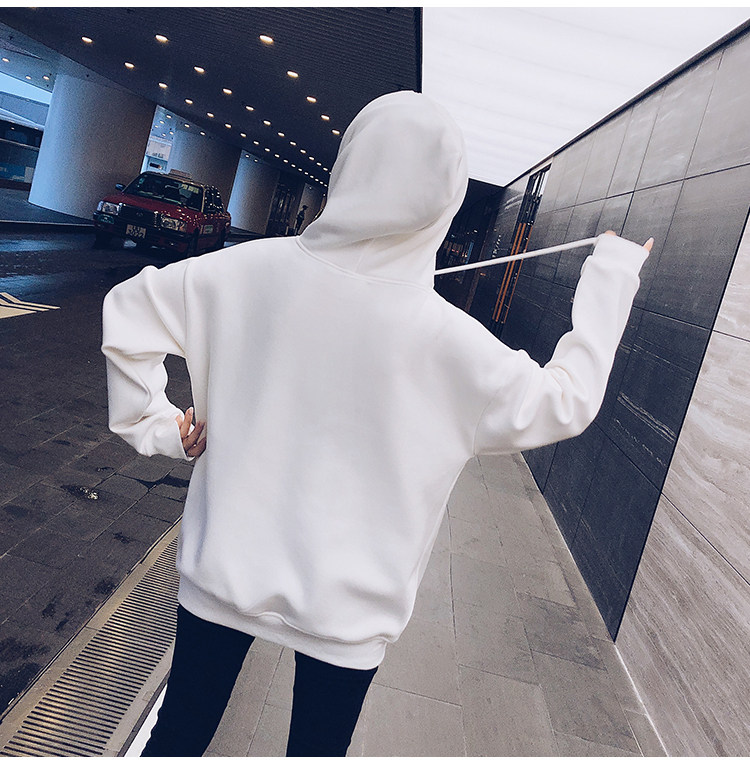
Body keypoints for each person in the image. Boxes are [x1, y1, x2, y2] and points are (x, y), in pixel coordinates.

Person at [101, 90, 652, 757]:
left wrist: (161, 426)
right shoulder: (453, 343)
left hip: (221, 572)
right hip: (351, 614)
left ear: (349, 168)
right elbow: (568, 401)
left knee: (179, 735)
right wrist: (611, 277)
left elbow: (127, 311)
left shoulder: (241, 272)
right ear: (445, 198)